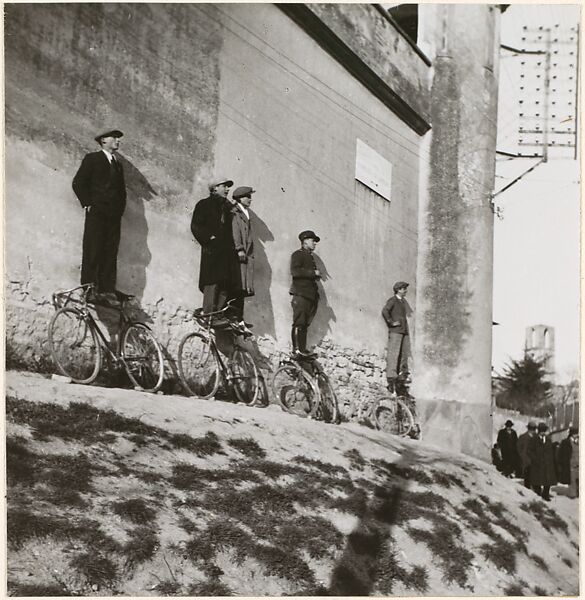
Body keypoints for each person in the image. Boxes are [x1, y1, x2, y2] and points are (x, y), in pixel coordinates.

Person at [72, 128, 126, 306]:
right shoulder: (93, 159)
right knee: (93, 248)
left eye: (118, 138)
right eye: (114, 138)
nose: (118, 141)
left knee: (110, 251)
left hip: (113, 216)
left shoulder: (118, 165)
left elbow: (121, 192)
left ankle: (106, 291)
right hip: (97, 212)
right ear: (104, 140)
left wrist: (119, 211)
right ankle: (89, 289)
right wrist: (88, 203)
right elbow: (78, 182)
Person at [190, 177, 234, 323]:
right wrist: (209, 238)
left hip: (226, 251)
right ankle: (208, 314)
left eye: (228, 187)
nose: (227, 190)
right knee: (212, 281)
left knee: (224, 283)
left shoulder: (227, 208)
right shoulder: (204, 204)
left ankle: (219, 314)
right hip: (212, 250)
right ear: (214, 188)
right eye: (224, 186)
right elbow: (196, 225)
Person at [290, 230, 321, 358]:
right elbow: (295, 271)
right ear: (305, 241)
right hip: (301, 294)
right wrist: (313, 273)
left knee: (305, 324)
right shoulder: (298, 254)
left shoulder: (309, 256)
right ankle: (296, 349)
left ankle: (302, 350)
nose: (315, 243)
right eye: (313, 241)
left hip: (309, 296)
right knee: (299, 322)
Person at [229, 186, 256, 326]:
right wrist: (239, 248)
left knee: (243, 287)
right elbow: (235, 231)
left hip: (246, 256)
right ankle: (234, 317)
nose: (250, 199)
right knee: (238, 286)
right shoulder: (236, 213)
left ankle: (239, 318)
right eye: (247, 196)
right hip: (240, 255)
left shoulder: (245, 213)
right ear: (240, 198)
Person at [381, 282, 412, 396]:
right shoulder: (393, 300)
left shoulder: (402, 302)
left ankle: (401, 378)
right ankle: (391, 379)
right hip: (396, 332)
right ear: (399, 290)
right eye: (404, 289)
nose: (406, 291)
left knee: (403, 355)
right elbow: (385, 311)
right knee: (393, 354)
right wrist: (391, 322)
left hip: (403, 332)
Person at [528, 422, 557, 501]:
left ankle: (545, 495)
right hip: (538, 463)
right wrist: (535, 459)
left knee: (547, 481)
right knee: (536, 480)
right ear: (538, 431)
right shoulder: (534, 439)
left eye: (544, 431)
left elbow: (550, 450)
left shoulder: (548, 439)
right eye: (541, 431)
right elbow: (529, 451)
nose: (543, 432)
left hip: (547, 463)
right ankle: (538, 493)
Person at [558, 427, 579, 498]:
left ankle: (578, 493)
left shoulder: (580, 442)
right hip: (570, 464)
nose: (577, 435)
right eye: (575, 434)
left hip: (579, 464)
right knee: (572, 480)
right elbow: (560, 453)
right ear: (571, 434)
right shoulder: (565, 442)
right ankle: (573, 494)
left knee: (579, 480)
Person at [517, 421, 537, 488]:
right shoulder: (522, 437)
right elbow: (519, 448)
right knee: (527, 476)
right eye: (531, 429)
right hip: (526, 460)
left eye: (533, 429)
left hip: (535, 460)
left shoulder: (537, 437)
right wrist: (523, 456)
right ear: (528, 428)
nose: (532, 430)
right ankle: (527, 489)